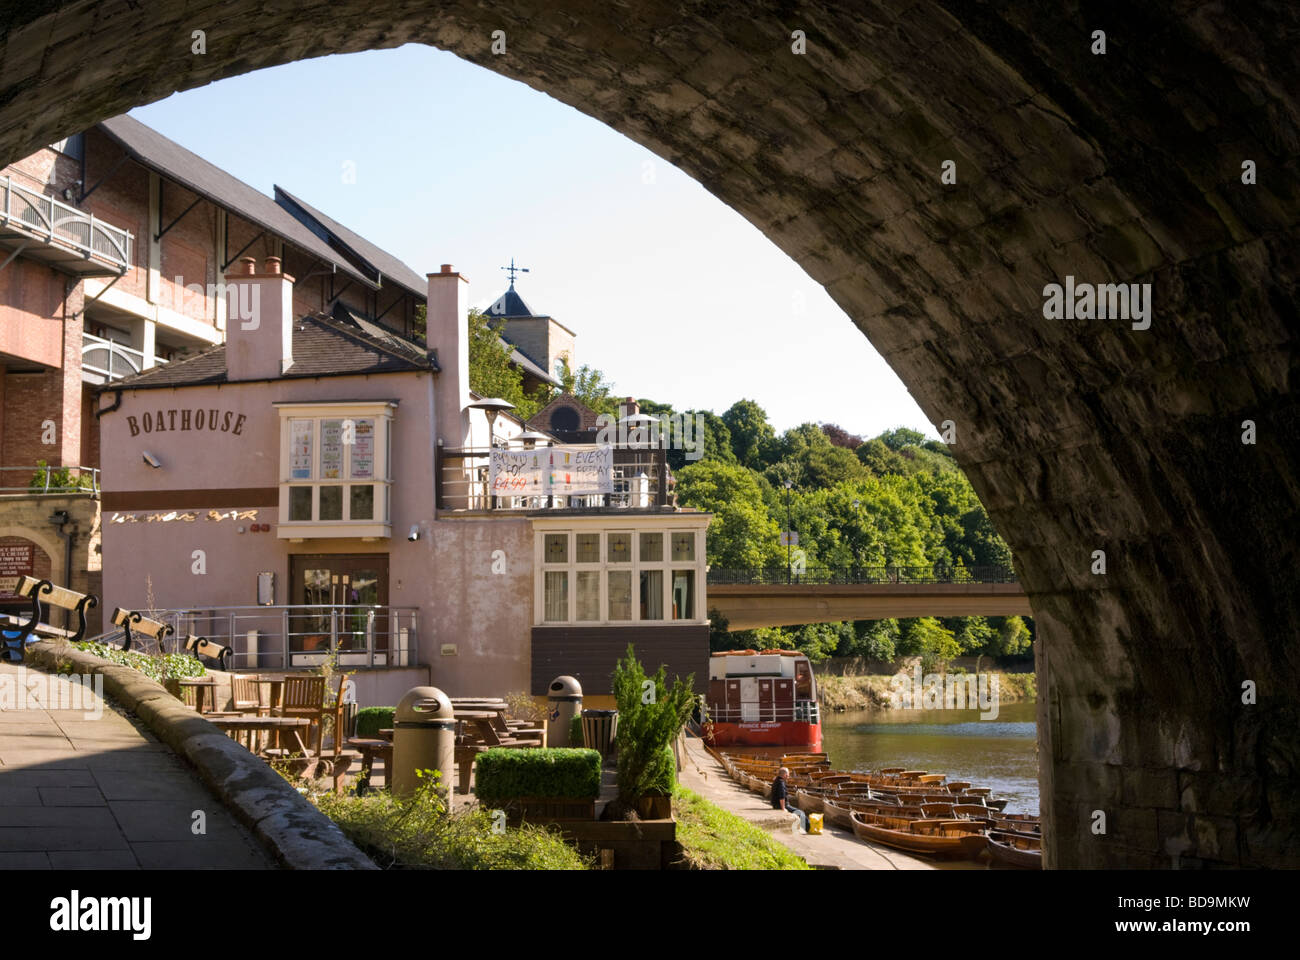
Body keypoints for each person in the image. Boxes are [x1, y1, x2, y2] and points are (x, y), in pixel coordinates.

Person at [771, 767, 809, 833]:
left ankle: (804, 828)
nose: (788, 776)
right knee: (801, 813)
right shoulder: (781, 783)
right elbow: (781, 797)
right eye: (788, 774)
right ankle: (808, 829)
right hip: (780, 805)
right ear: (785, 775)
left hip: (775, 804)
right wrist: (783, 808)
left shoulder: (776, 780)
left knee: (798, 811)